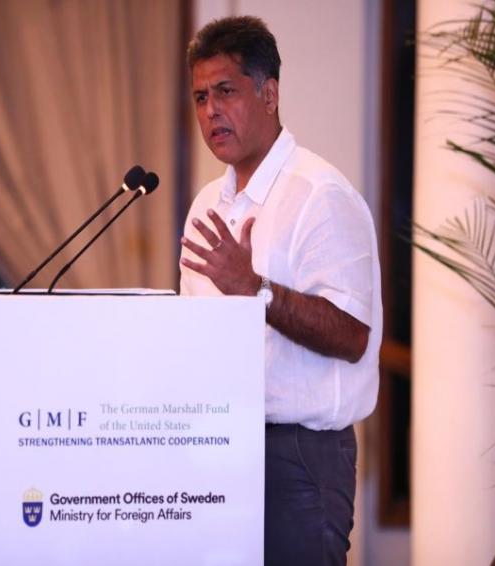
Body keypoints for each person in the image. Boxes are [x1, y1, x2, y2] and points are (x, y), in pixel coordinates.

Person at [179, 16, 382, 566]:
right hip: (216, 447)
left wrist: (255, 289)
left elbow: (352, 335)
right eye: (200, 97)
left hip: (299, 456)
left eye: (226, 91)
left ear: (269, 95)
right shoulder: (206, 206)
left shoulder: (320, 195)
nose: (210, 111)